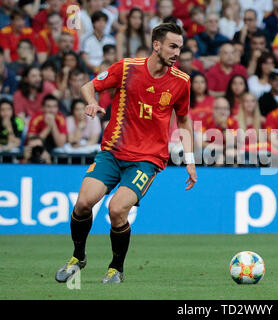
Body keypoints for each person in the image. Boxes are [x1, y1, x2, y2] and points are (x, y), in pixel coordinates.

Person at [54, 23, 197, 284]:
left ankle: (116, 268)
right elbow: (89, 86)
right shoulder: (127, 68)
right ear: (157, 45)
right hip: (112, 152)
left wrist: (190, 160)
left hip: (147, 160)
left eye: (180, 47)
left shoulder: (181, 82)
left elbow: (184, 120)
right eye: (172, 46)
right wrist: (91, 102)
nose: (177, 52)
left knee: (117, 210)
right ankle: (78, 257)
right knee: (83, 203)